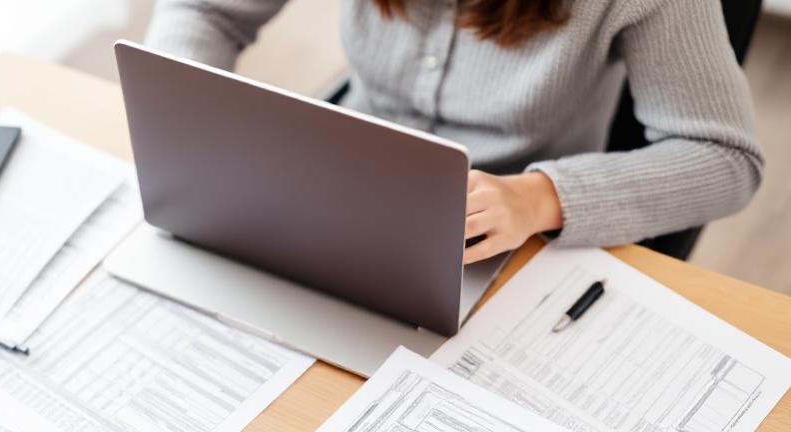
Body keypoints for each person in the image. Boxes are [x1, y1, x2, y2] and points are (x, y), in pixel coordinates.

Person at [143, 0, 763, 264]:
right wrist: (192, 115)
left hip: (506, 244)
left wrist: (538, 196)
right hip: (333, 193)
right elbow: (202, 11)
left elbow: (724, 157)